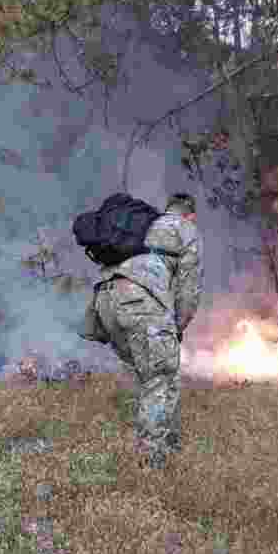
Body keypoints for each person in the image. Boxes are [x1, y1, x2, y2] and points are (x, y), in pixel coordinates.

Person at [79, 193, 203, 468]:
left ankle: (167, 443)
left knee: (150, 374)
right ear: (190, 215)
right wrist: (178, 326)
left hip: (106, 301)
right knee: (161, 376)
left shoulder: (145, 224)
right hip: (140, 301)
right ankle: (151, 462)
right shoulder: (184, 228)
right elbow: (189, 290)